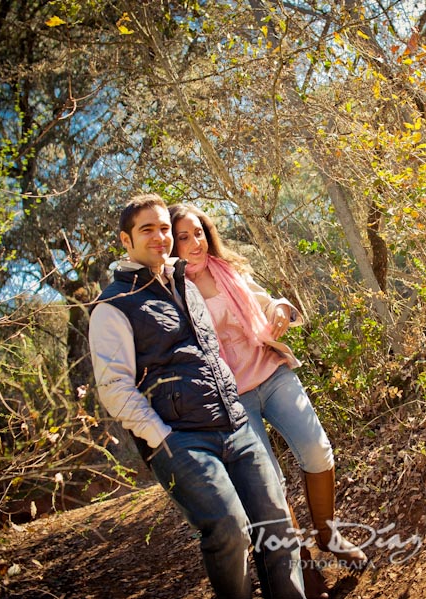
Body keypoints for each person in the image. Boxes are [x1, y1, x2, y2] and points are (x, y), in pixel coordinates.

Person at [88, 194, 305, 599]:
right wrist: (161, 436)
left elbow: (211, 351)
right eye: (147, 229)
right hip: (180, 439)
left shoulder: (186, 281)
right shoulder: (112, 306)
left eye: (164, 228)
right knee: (230, 529)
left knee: (276, 522)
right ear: (125, 239)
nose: (160, 237)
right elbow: (114, 388)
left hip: (234, 423)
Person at [169, 203, 368, 596]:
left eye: (199, 232)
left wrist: (278, 307)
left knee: (317, 450)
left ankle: (328, 535)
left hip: (271, 372)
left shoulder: (229, 271)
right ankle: (303, 563)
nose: (196, 243)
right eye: (184, 237)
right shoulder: (175, 293)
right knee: (270, 488)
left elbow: (268, 302)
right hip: (233, 399)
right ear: (172, 246)